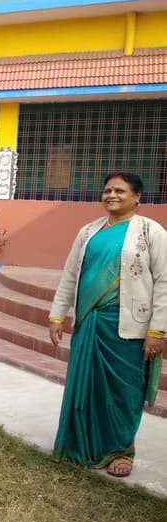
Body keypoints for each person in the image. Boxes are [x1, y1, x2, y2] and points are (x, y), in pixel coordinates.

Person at [49, 171, 167, 478]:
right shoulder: (88, 232)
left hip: (129, 328)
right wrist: (57, 314)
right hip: (90, 322)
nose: (111, 195)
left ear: (138, 197)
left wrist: (158, 330)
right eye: (107, 190)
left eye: (120, 191)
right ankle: (80, 443)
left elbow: (165, 283)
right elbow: (70, 275)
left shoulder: (151, 233)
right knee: (85, 385)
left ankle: (120, 450)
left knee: (123, 391)